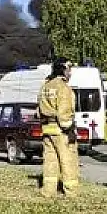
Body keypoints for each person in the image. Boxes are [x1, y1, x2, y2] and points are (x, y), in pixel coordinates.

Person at [37, 58, 79, 198]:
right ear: (62, 69)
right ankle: (71, 192)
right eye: (68, 69)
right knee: (67, 160)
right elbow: (64, 111)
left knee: (50, 160)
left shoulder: (45, 86)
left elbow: (39, 111)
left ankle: (48, 190)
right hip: (61, 131)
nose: (70, 73)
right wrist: (69, 128)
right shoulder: (63, 87)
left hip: (47, 129)